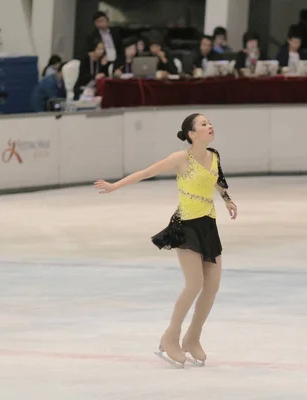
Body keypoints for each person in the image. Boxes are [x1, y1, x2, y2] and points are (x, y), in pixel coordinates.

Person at [94, 113, 238, 368]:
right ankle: (170, 336)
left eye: (209, 122)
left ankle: (192, 338)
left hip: (208, 225)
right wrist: (116, 186)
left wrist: (227, 200)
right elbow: (147, 172)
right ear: (192, 134)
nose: (209, 126)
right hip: (185, 226)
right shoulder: (181, 158)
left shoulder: (214, 155)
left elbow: (218, 180)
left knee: (212, 285)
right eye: (203, 124)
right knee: (194, 284)